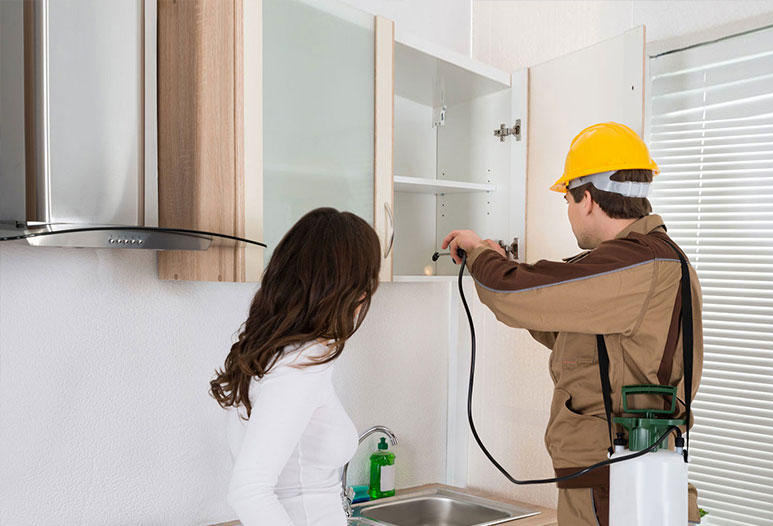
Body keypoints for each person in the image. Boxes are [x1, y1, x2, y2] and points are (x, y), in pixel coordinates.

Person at [442, 122, 704, 526]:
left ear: (586, 199)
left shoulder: (638, 264)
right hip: (624, 478)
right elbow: (565, 328)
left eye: (567, 199)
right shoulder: (652, 262)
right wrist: (499, 264)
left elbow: (516, 294)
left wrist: (479, 254)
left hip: (616, 486)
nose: (568, 211)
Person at [210, 207, 381, 526]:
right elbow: (249, 490)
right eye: (366, 282)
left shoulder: (276, 352)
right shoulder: (300, 363)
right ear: (346, 289)